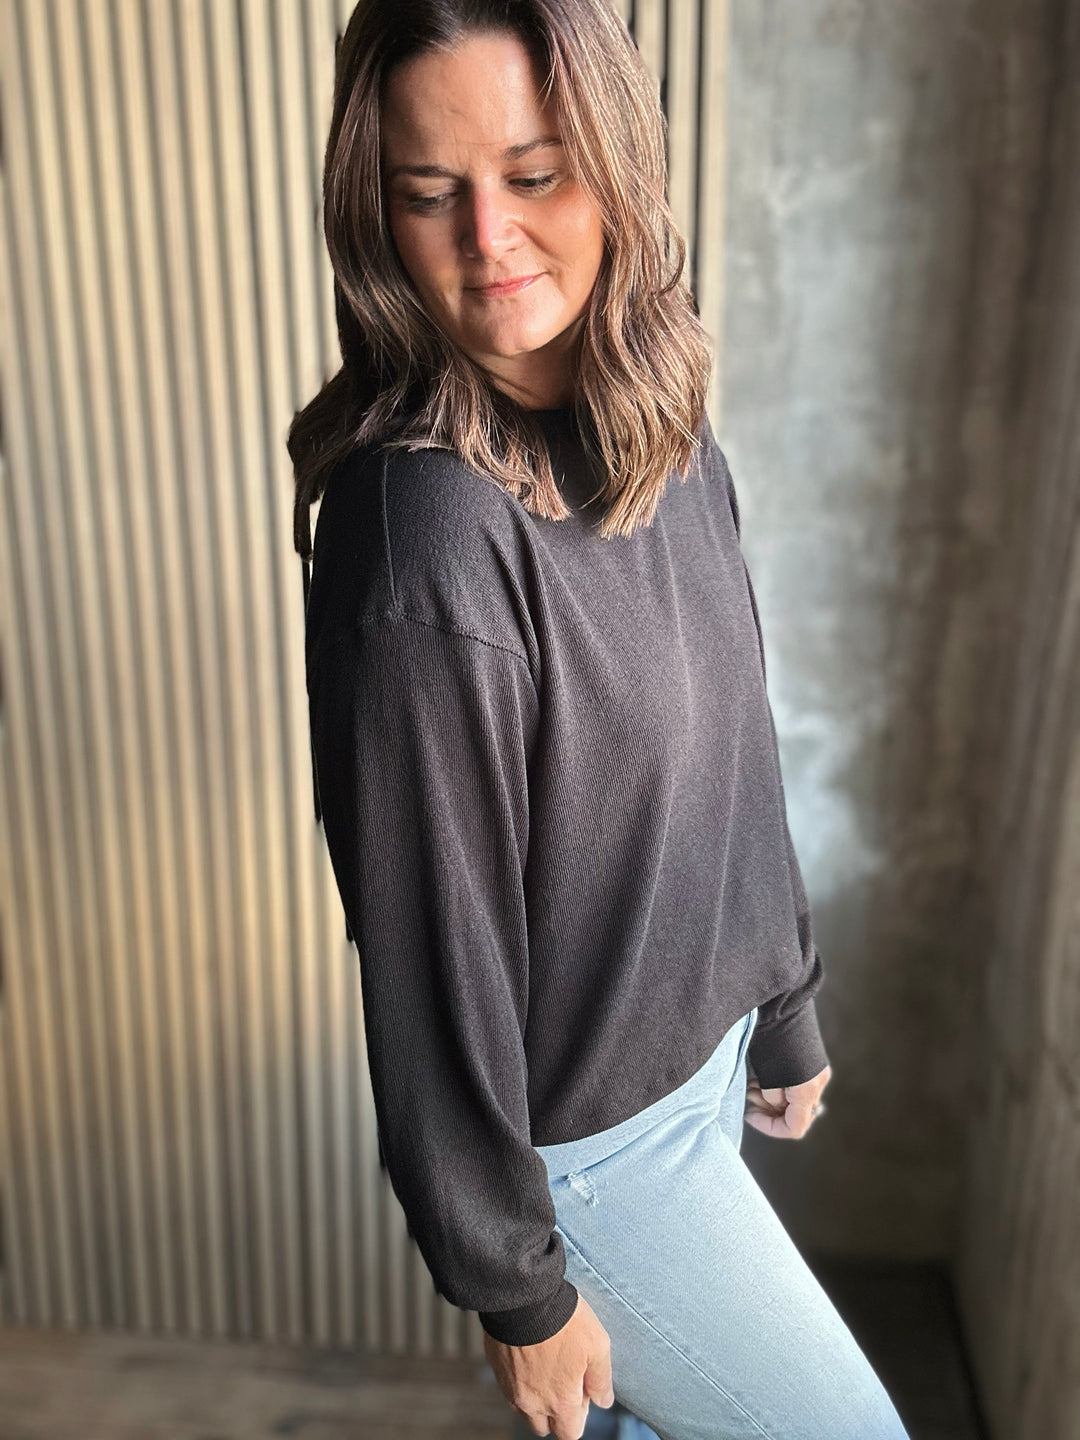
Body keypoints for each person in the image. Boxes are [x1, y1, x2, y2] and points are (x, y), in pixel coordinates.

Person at [291, 1, 911, 1437]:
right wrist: (517, 1284)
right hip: (595, 1159)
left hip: (697, 1070)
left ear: (615, 165)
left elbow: (732, 739)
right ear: (377, 218)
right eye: (426, 193)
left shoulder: (662, 420)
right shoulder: (426, 527)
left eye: (535, 172)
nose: (487, 240)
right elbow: (427, 944)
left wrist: (786, 1001)